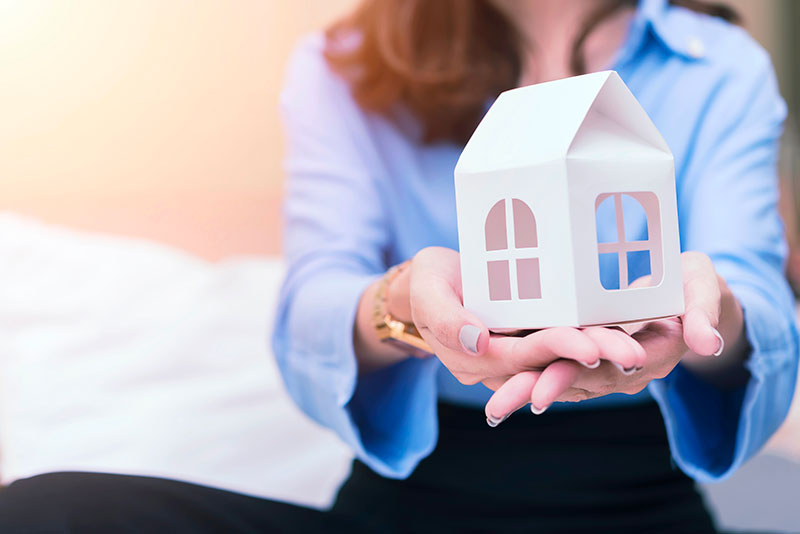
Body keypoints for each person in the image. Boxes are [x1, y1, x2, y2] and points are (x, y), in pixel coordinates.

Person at [272, 0, 799, 532]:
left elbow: (756, 296)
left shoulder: (718, 63)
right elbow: (312, 303)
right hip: (412, 493)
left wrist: (715, 317)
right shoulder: (345, 64)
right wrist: (402, 301)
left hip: (641, 490)